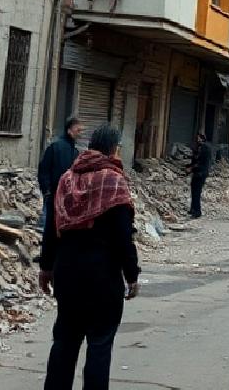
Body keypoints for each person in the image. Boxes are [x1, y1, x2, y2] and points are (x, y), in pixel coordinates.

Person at [39, 124, 140, 390]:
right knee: (99, 344)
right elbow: (123, 237)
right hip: (102, 277)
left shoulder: (66, 179)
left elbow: (52, 228)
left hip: (67, 274)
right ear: (113, 148)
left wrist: (45, 267)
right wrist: (132, 275)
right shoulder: (114, 182)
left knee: (64, 341)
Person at [37, 117, 83, 228]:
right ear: (69, 131)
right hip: (53, 194)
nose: (80, 134)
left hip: (67, 197)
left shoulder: (75, 152)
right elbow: (43, 170)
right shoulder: (55, 147)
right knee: (47, 225)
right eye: (78, 130)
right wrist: (47, 190)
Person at [188, 132, 212, 218]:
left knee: (196, 193)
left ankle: (197, 212)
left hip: (200, 173)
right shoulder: (199, 147)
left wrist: (192, 168)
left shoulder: (205, 148)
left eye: (198, 138)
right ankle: (193, 209)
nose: (197, 140)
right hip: (197, 173)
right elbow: (194, 160)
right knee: (194, 191)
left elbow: (201, 162)